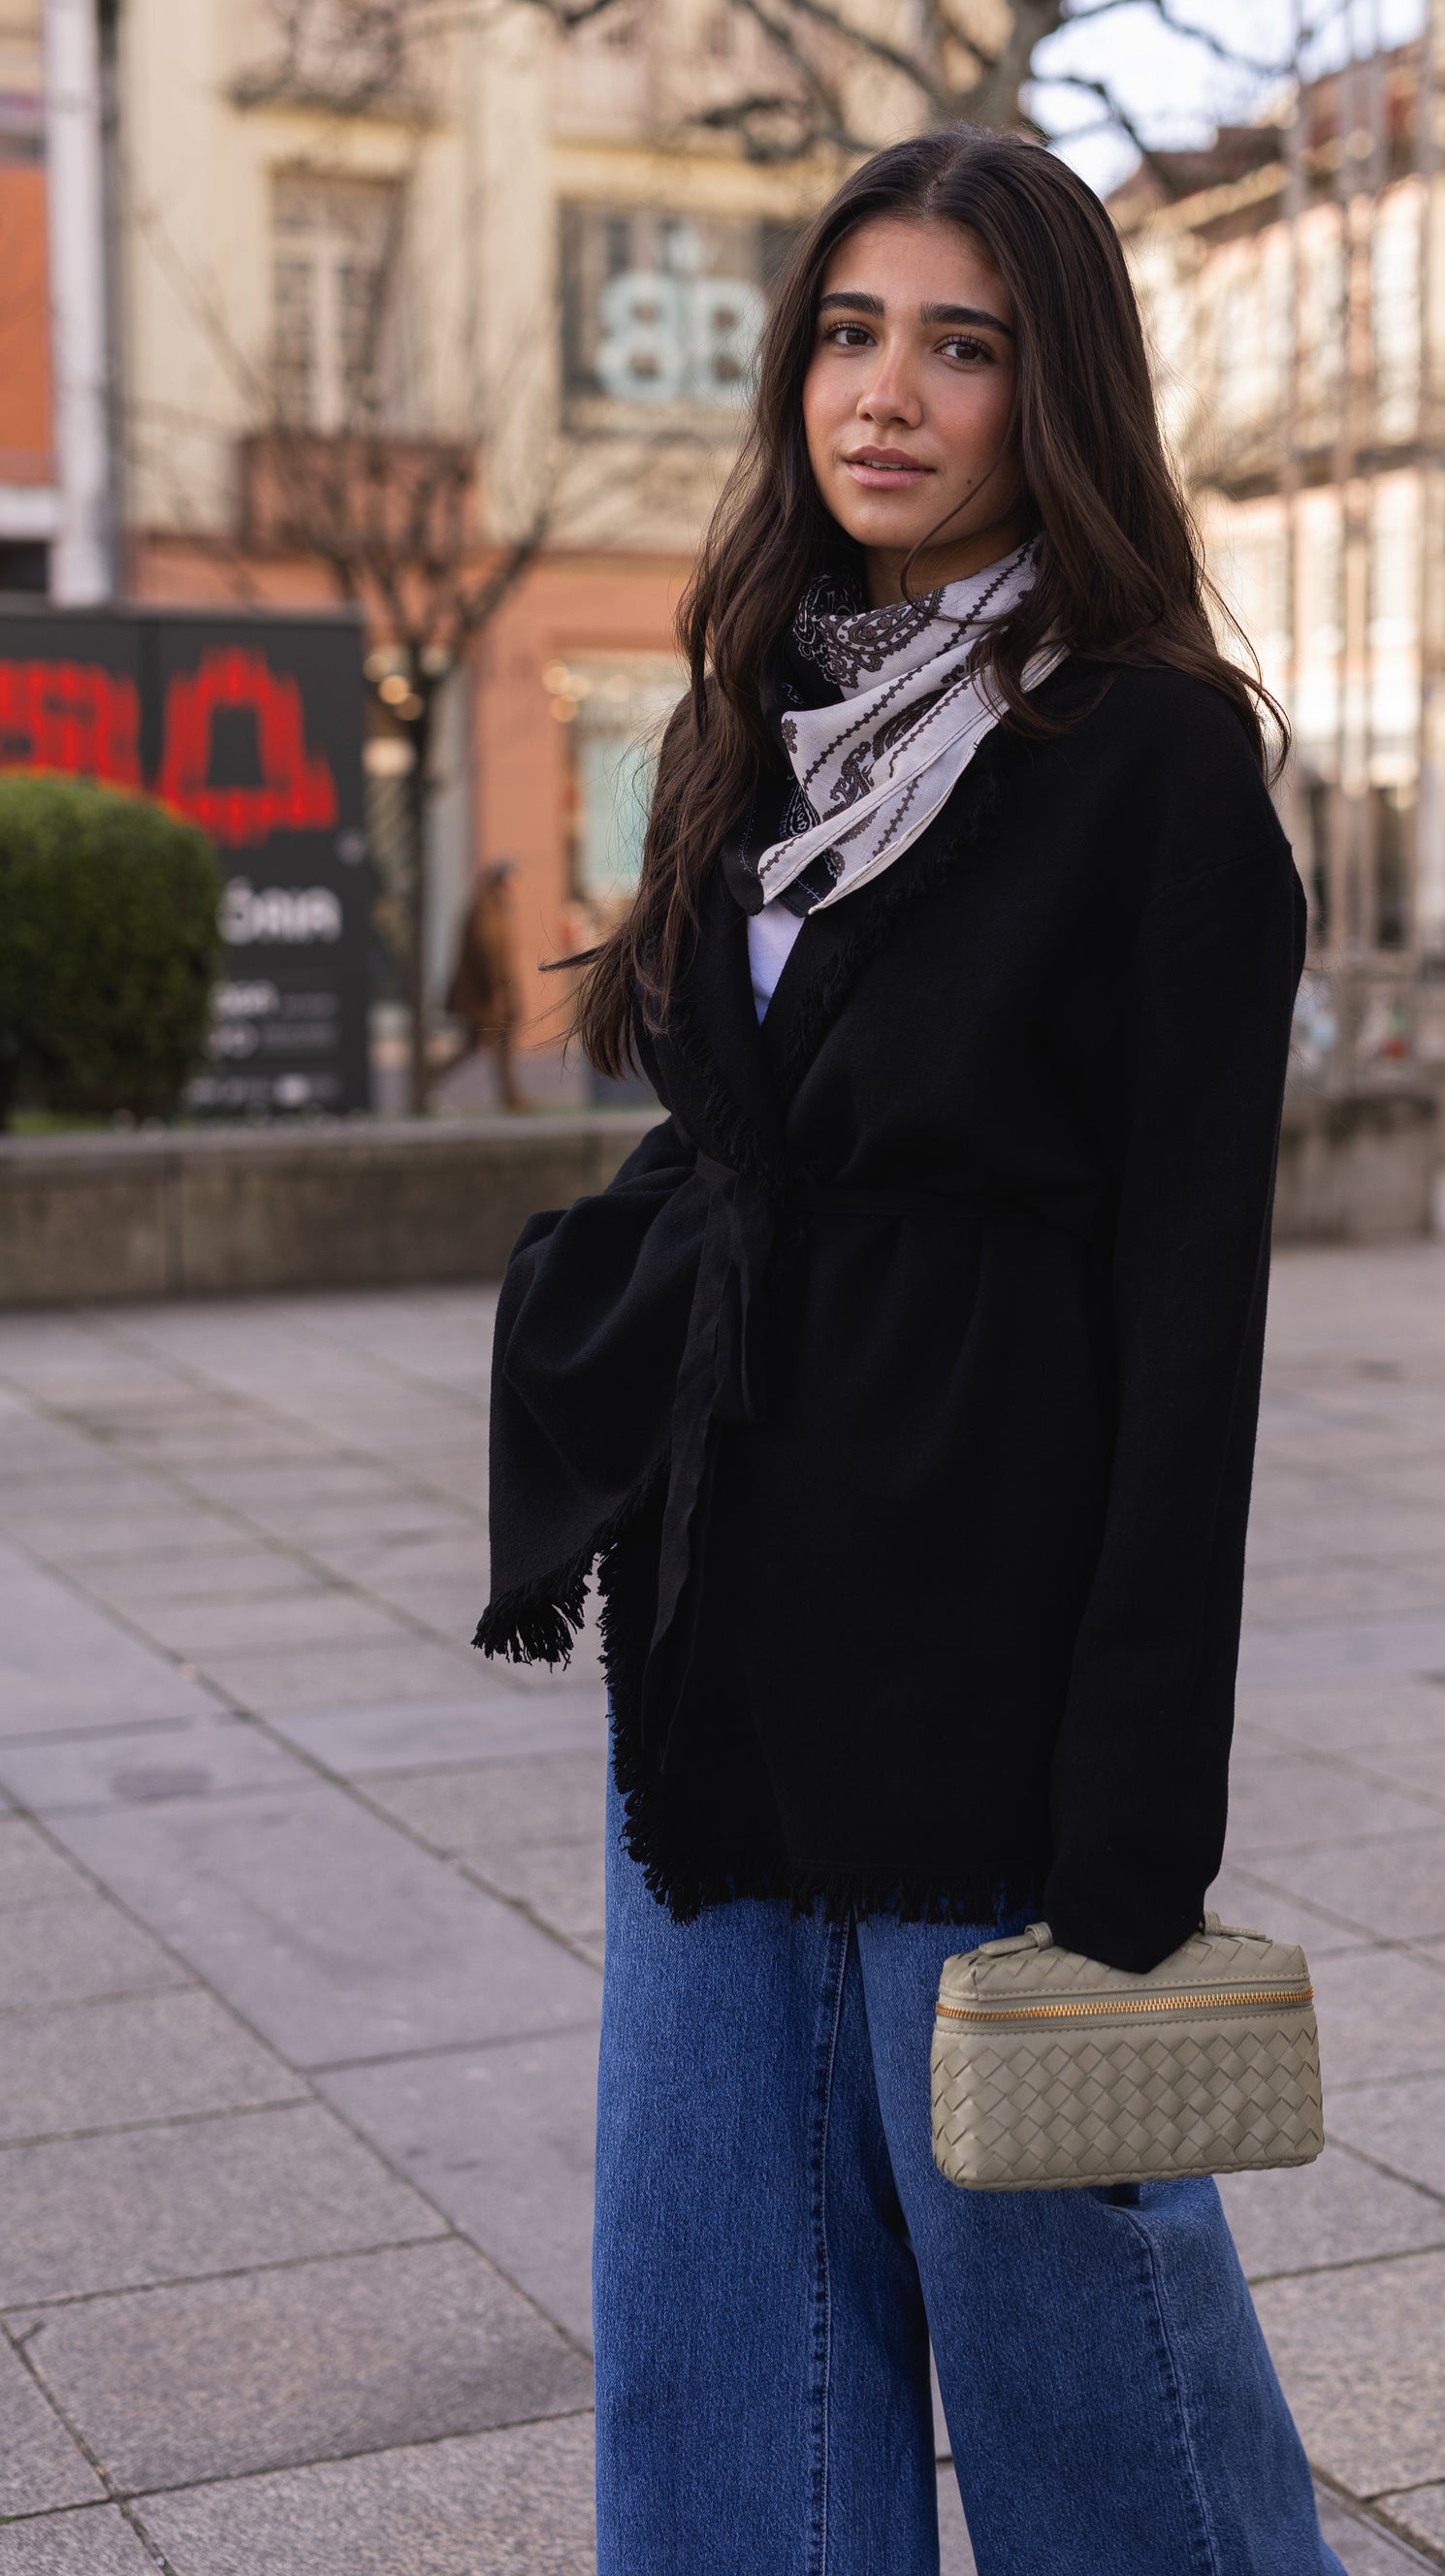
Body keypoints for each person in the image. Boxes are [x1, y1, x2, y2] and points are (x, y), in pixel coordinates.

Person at [478, 129, 1335, 2576]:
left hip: (989, 1639)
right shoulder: (753, 724)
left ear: (1052, 396)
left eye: (962, 347)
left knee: (1079, 2328)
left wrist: (1139, 1806)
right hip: (729, 1623)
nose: (886, 394)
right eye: (850, 334)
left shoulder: (1148, 756)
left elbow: (1191, 1305)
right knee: (722, 2323)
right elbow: (740, 1130)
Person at [433, 860, 530, 1109]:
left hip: (487, 993)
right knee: (500, 1041)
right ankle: (510, 1097)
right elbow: (489, 952)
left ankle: (429, 1077)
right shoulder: (487, 909)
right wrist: (498, 989)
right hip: (485, 995)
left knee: (475, 1045)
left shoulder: (492, 906)